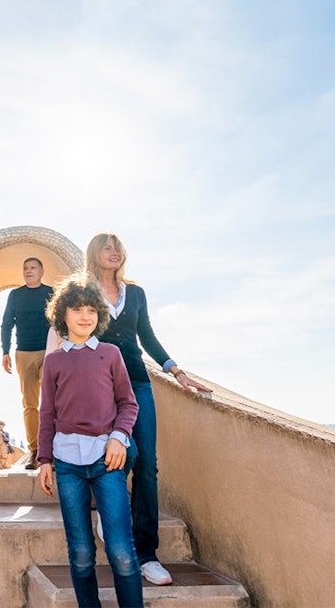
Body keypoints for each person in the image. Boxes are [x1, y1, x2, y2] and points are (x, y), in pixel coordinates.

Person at [85, 232, 214, 586]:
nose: (114, 252)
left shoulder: (136, 293)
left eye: (118, 248)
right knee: (128, 453)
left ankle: (146, 555)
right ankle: (109, 509)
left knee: (148, 467)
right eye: (107, 247)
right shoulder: (84, 291)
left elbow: (147, 337)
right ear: (95, 254)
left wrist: (177, 371)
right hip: (99, 386)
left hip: (139, 383)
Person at [37, 274, 143, 608]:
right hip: (67, 465)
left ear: (99, 314)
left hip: (107, 460)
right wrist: (44, 460)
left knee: (121, 551)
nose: (85, 316)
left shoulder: (110, 354)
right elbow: (47, 414)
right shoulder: (53, 361)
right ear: (62, 315)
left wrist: (118, 438)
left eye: (91, 310)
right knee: (81, 552)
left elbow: (128, 403)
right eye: (77, 309)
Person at [0, 257, 54, 469]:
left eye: (33, 268)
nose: (28, 271)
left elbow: (62, 322)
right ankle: (35, 451)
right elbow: (6, 324)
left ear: (42, 271)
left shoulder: (51, 293)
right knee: (30, 404)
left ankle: (53, 452)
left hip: (50, 352)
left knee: (53, 403)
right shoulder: (16, 295)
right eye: (25, 268)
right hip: (24, 353)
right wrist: (5, 351)